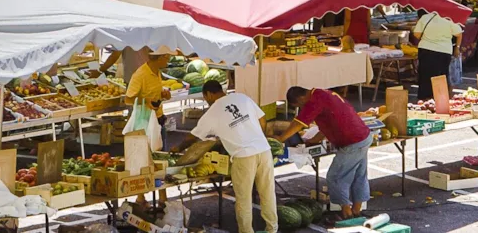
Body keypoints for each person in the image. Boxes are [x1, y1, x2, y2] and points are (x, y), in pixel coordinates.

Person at [174, 81, 277, 233]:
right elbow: (262, 120)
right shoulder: (242, 98)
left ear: (208, 94)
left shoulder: (213, 111)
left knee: (243, 200)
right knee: (268, 194)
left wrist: (178, 148)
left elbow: (193, 137)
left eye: (205, 98)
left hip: (243, 156)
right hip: (264, 150)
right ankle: (272, 229)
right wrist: (256, 137)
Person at [273, 87, 372, 219]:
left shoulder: (314, 101)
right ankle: (356, 211)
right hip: (362, 136)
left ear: (301, 98)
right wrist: (314, 140)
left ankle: (346, 213)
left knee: (335, 177)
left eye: (300, 105)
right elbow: (329, 122)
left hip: (352, 142)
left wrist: (280, 139)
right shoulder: (322, 93)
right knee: (359, 175)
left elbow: (298, 123)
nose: (302, 108)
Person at [125, 49, 173, 147]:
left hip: (158, 119)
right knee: (147, 155)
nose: (168, 61)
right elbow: (128, 100)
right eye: (167, 58)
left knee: (160, 155)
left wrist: (163, 95)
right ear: (160, 58)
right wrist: (145, 101)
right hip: (145, 122)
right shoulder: (140, 75)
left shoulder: (157, 72)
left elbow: (151, 92)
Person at [411, 10, 463, 100]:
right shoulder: (449, 19)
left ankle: (424, 99)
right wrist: (457, 47)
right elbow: (459, 34)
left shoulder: (425, 18)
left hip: (426, 50)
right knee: (441, 76)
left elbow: (417, 34)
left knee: (425, 76)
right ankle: (440, 100)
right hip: (444, 51)